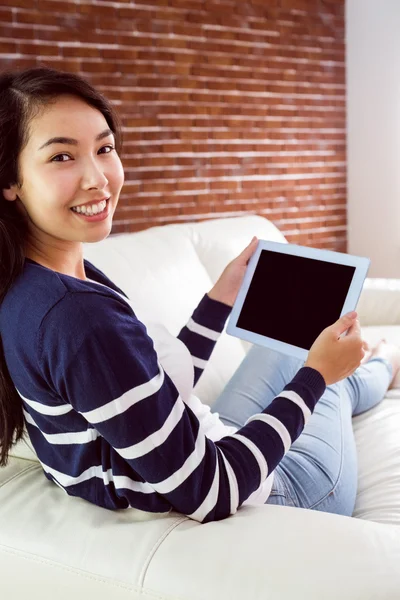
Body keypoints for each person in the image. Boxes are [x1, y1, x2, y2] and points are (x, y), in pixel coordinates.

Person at [0, 67, 398, 523]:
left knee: (295, 346)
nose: (98, 178)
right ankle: (382, 366)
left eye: (104, 148)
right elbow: (213, 489)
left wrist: (220, 298)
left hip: (216, 437)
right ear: (9, 179)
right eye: (61, 157)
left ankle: (367, 366)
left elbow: (150, 388)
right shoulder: (77, 317)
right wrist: (318, 378)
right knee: (324, 376)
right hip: (280, 489)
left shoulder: (41, 280)